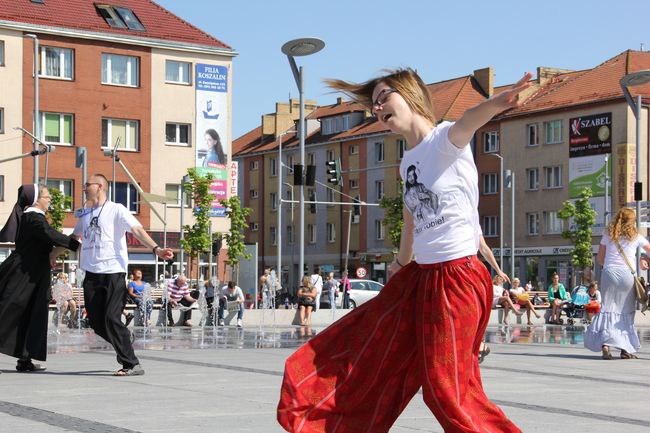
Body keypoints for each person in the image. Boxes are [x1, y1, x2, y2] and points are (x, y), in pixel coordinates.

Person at [278, 68, 529, 432]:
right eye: (374, 105)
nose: (378, 108)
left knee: (446, 389)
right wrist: (399, 262)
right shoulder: (408, 162)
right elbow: (412, 220)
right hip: (422, 278)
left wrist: (499, 102)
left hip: (457, 275)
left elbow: (470, 120)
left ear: (410, 94)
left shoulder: (445, 139)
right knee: (377, 354)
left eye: (384, 98)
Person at [72, 174, 173, 376]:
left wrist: (156, 249)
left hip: (113, 272)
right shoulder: (85, 214)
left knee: (110, 318)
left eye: (87, 185)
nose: (84, 188)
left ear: (99, 186)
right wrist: (52, 255)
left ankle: (132, 364)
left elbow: (136, 230)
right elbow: (75, 238)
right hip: (91, 273)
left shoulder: (117, 209)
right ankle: (125, 338)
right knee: (96, 323)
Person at [0, 184, 79, 372]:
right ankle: (25, 358)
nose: (49, 199)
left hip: (33, 274)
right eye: (46, 196)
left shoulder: (33, 217)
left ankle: (25, 359)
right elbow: (48, 234)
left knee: (31, 314)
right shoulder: (33, 217)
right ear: (36, 200)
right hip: (24, 274)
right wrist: (75, 243)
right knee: (9, 311)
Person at [585, 208, 650, 360]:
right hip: (627, 275)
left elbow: (600, 259)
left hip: (609, 274)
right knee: (626, 311)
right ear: (632, 221)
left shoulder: (608, 234)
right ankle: (624, 349)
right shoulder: (637, 237)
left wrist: (609, 264)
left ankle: (606, 344)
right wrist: (643, 260)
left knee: (607, 309)